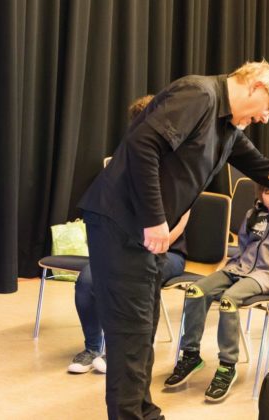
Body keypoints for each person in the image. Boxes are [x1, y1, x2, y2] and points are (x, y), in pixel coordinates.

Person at [77, 60, 269, 420]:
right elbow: (142, 146)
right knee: (130, 333)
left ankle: (144, 411)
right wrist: (155, 220)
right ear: (254, 88)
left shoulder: (226, 123)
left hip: (139, 231)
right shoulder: (198, 95)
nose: (267, 117)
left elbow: (260, 166)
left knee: (142, 329)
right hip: (121, 225)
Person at [68, 95, 189, 375]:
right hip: (123, 245)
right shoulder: (125, 161)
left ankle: (119, 351)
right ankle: (92, 347)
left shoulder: (178, 165)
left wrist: (159, 243)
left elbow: (182, 219)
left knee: (131, 279)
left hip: (166, 252)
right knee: (87, 280)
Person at [163, 184, 269, 402]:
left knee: (228, 301)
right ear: (260, 194)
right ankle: (190, 355)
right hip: (239, 269)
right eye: (267, 192)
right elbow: (243, 247)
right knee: (195, 290)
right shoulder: (252, 215)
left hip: (266, 277)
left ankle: (227, 366)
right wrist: (227, 269)